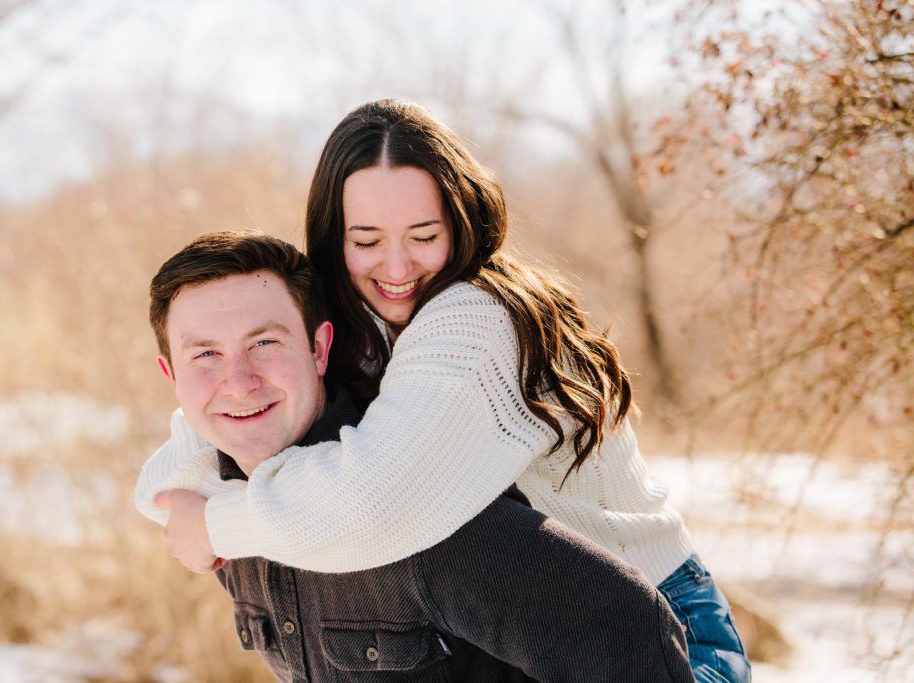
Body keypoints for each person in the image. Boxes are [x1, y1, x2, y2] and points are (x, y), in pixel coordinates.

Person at [137, 99, 750, 683]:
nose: (397, 268)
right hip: (539, 629)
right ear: (335, 236)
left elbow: (374, 495)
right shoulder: (356, 318)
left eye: (424, 236)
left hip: (658, 627)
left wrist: (215, 525)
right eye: (367, 240)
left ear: (463, 221)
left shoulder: (474, 318)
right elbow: (204, 432)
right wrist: (183, 490)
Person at [140, 230, 693, 682]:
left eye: (265, 343)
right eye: (205, 354)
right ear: (171, 377)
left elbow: (628, 632)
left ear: (319, 348)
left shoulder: (407, 495)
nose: (238, 382)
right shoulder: (217, 510)